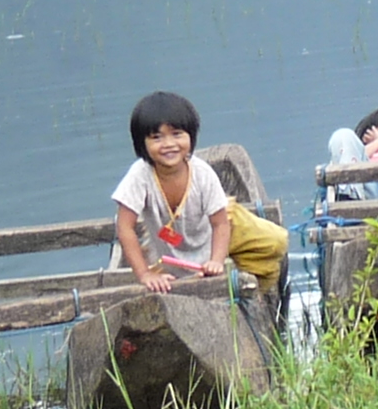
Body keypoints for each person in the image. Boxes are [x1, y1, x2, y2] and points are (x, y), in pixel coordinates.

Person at [113, 90, 287, 292]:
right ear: (142, 143)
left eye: (177, 134)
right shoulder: (139, 176)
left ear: (191, 136)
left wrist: (216, 261)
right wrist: (144, 274)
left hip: (224, 225)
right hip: (173, 246)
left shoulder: (203, 173)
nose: (168, 144)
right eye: (157, 137)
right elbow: (125, 228)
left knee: (275, 243)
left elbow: (220, 223)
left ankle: (258, 293)